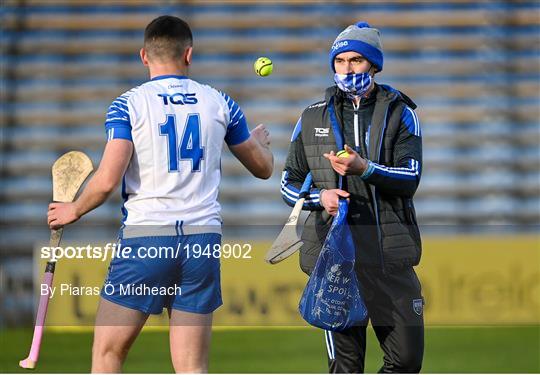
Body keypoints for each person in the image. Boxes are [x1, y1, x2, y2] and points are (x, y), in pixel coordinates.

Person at [47, 15, 273, 373]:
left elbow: (107, 181)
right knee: (191, 368)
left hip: (147, 239)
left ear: (143, 56)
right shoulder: (219, 101)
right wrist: (259, 144)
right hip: (202, 241)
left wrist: (73, 209)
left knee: (108, 355)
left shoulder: (129, 104)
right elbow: (263, 168)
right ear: (189, 55)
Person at [281, 21, 424, 373]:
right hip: (336, 264)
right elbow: (288, 183)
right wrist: (320, 198)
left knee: (406, 361)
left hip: (390, 259)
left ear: (373, 65)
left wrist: (365, 168)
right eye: (340, 61)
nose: (347, 68)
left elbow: (411, 176)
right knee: (346, 367)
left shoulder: (400, 113)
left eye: (356, 60)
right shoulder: (311, 116)